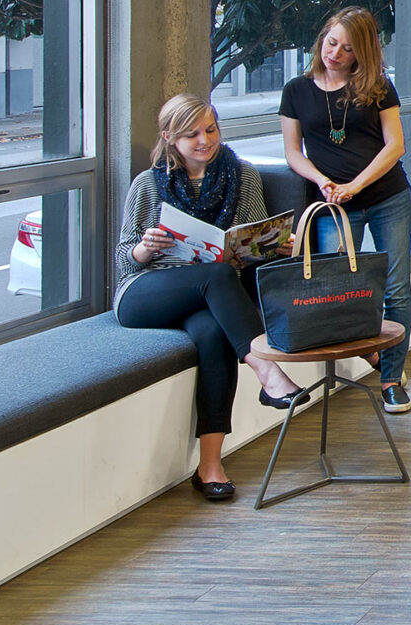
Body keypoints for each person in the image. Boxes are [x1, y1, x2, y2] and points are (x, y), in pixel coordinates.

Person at [115, 94, 307, 502]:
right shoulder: (148, 185)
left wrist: (276, 245)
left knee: (212, 334)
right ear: (169, 138)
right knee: (217, 275)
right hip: (146, 294)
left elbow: (253, 243)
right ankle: (267, 369)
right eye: (191, 134)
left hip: (209, 299)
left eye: (210, 129)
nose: (205, 140)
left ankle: (210, 466)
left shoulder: (244, 177)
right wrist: (146, 247)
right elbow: (124, 261)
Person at [280, 6, 411, 414]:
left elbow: (396, 146)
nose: (335, 53)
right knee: (337, 291)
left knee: (394, 290)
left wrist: (356, 185)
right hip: (334, 206)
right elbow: (292, 151)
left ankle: (391, 380)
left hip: (387, 198)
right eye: (331, 42)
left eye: (347, 48)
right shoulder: (296, 90)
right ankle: (374, 356)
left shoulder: (378, 86)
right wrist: (321, 180)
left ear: (362, 53)